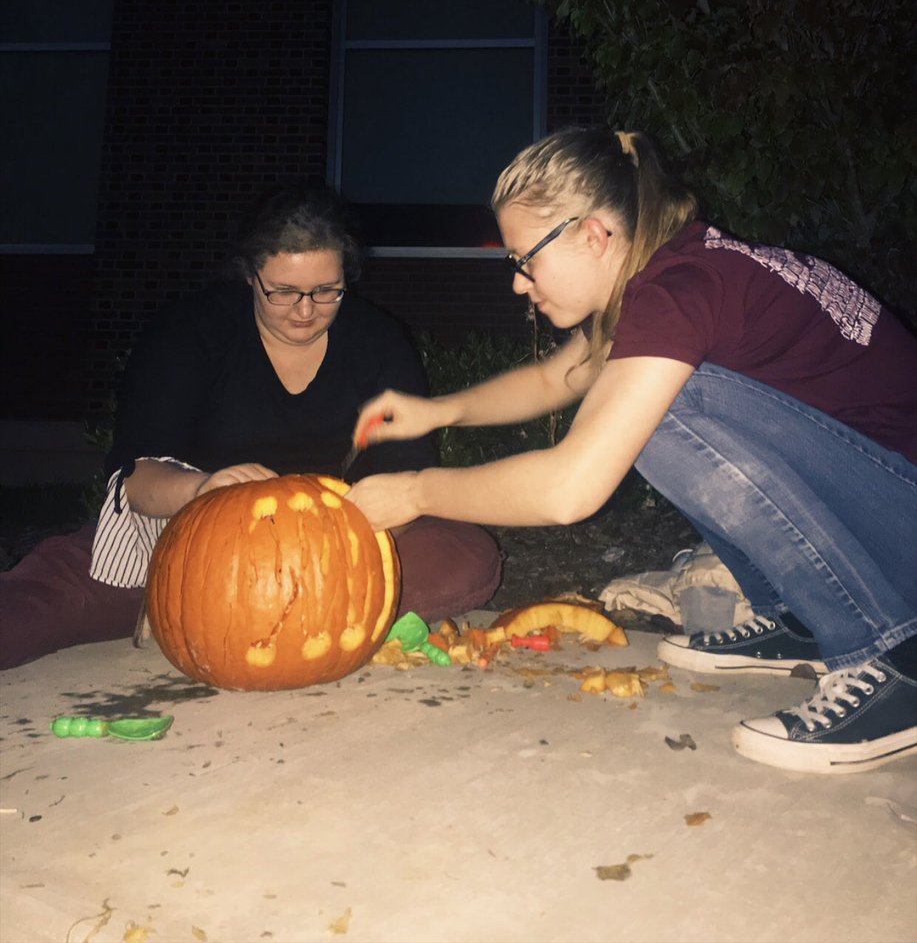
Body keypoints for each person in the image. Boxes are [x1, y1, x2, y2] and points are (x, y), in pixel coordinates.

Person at [346, 127, 917, 775]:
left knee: (663, 405)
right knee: (644, 392)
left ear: (591, 236)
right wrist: (442, 410)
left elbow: (570, 488)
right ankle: (798, 619)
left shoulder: (679, 291)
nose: (517, 283)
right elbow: (554, 378)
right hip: (888, 502)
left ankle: (891, 657)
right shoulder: (673, 272)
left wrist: (417, 491)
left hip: (898, 517)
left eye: (522, 260)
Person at [0, 184, 500, 670]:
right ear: (250, 275)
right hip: (191, 546)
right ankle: (205, 610)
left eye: (326, 291)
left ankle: (278, 620)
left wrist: (330, 537)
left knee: (467, 553)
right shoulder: (190, 331)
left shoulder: (378, 341)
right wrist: (203, 487)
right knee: (48, 595)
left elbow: (406, 478)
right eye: (283, 292)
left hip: (335, 553)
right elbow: (135, 478)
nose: (305, 311)